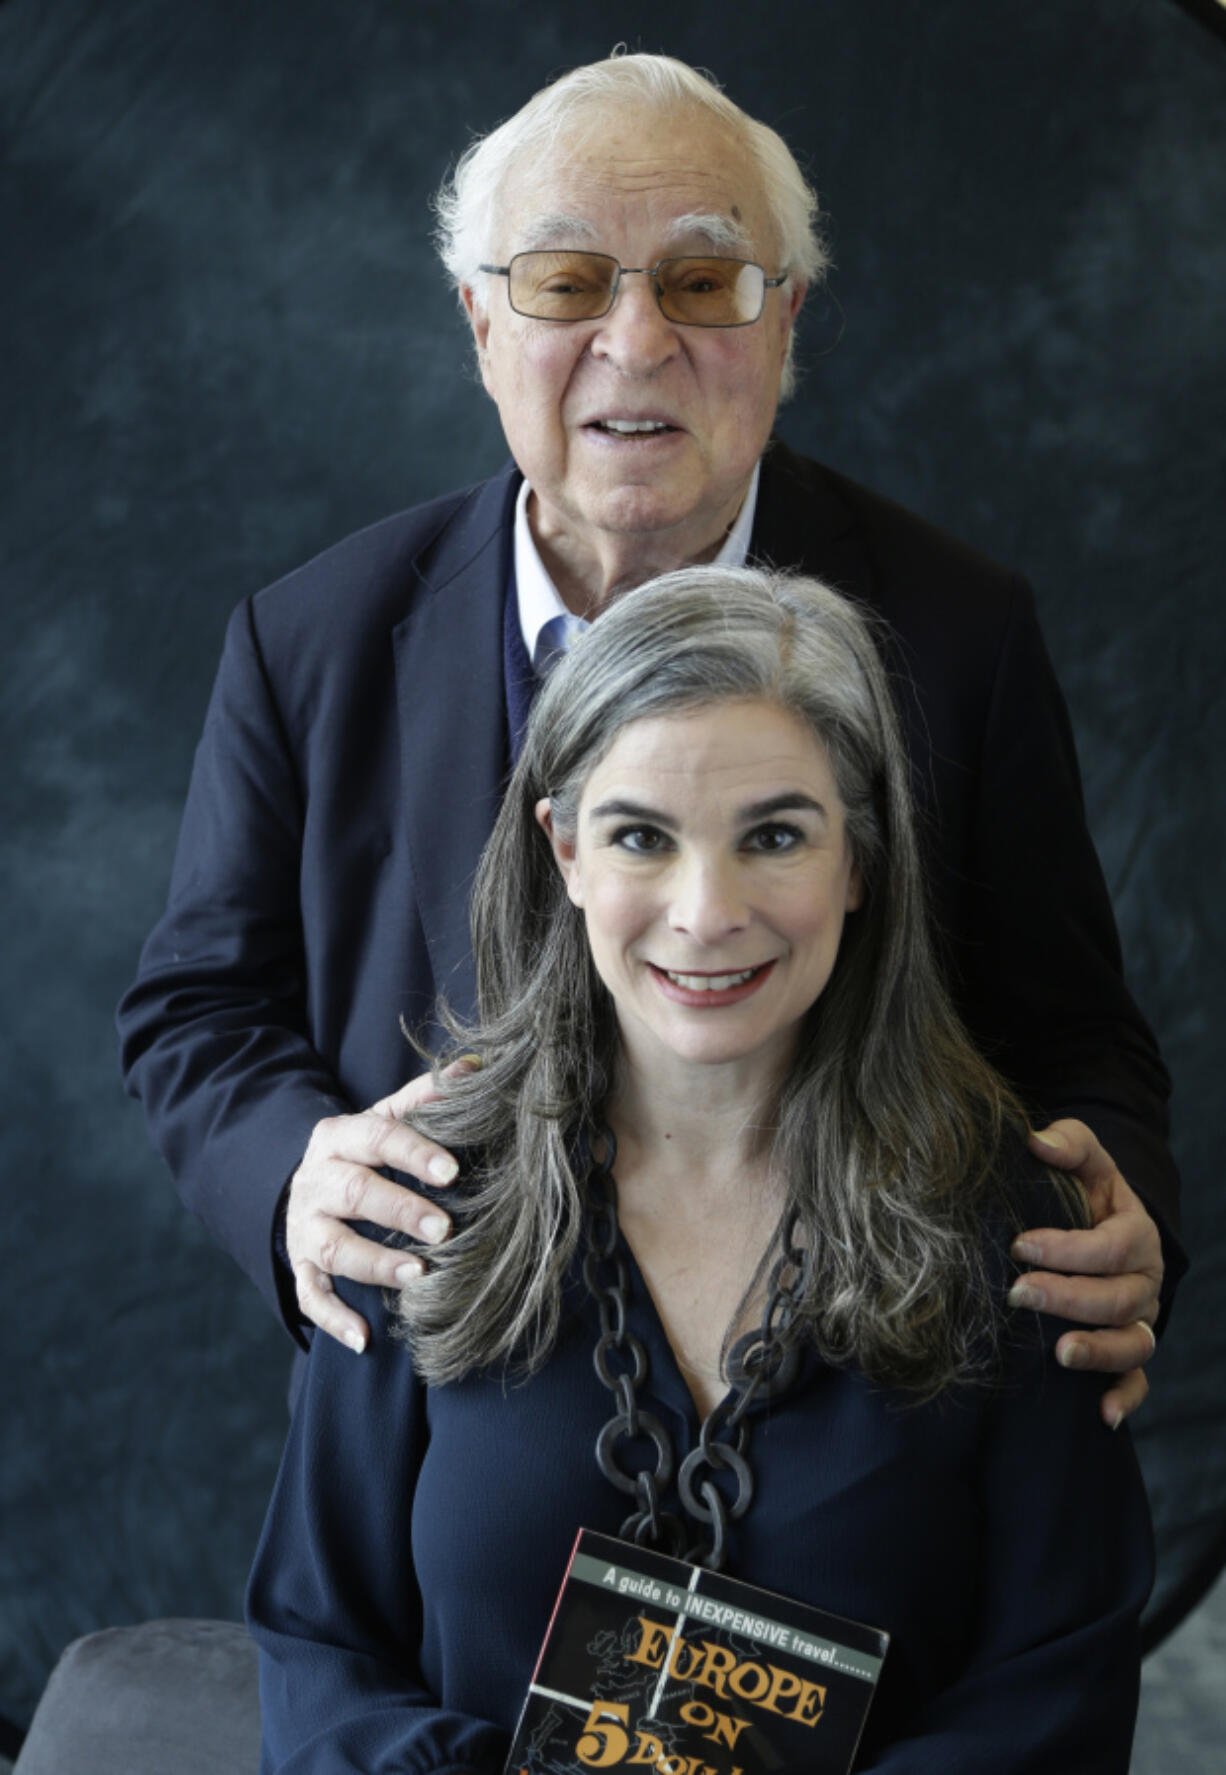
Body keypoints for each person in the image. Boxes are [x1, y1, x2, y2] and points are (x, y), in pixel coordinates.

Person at [117, 51, 1177, 1421]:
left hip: (849, 1413)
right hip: (440, 1423)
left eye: (701, 281)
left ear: (785, 318)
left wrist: (1122, 1201)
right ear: (480, 323)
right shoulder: (305, 638)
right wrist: (289, 1170)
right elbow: (198, 1007)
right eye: (564, 282)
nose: (634, 342)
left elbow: (1076, 1031)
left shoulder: (959, 632)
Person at [246, 566, 1153, 1773]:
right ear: (562, 851)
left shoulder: (1018, 1231)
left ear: (860, 860)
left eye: (773, 834)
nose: (704, 910)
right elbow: (318, 1648)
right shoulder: (414, 1198)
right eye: (639, 836)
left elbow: (1056, 1692)